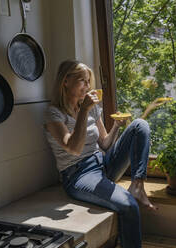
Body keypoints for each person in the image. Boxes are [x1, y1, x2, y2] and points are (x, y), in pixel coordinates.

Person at [43, 59, 157, 248]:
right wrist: (83, 111)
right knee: (129, 206)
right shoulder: (54, 114)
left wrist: (116, 127)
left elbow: (104, 144)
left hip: (103, 163)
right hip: (78, 174)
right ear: (65, 81)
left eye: (88, 81)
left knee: (140, 125)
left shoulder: (91, 107)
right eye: (82, 81)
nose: (87, 86)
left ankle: (137, 184)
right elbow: (73, 148)